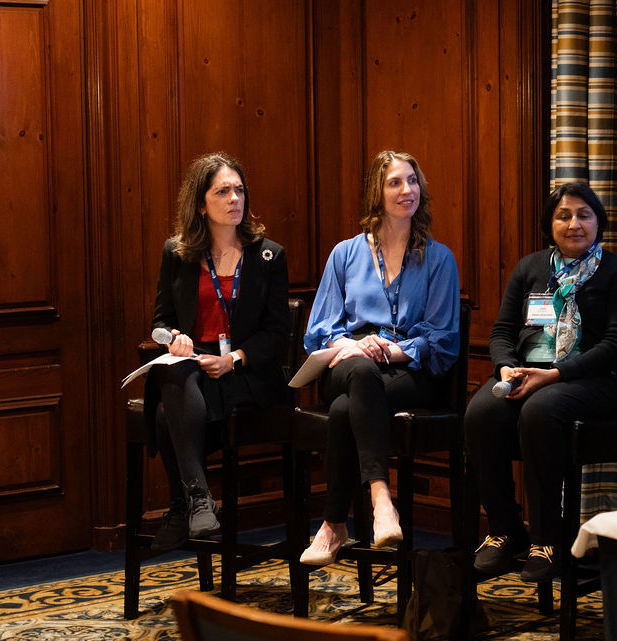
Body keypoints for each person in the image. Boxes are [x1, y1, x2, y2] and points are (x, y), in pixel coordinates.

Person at [464, 182, 617, 582]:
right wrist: (505, 367)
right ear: (550, 224)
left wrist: (556, 374)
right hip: (529, 373)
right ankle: (504, 529)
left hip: (599, 380)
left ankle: (547, 538)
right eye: (564, 216)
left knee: (541, 410)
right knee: (480, 412)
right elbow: (502, 331)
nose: (574, 224)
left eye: (584, 215)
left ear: (598, 221)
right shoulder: (530, 268)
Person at [299, 150, 461, 566]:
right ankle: (381, 499)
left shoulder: (439, 258)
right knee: (359, 371)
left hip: (410, 369)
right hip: (347, 362)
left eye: (413, 180)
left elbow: (442, 339)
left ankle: (333, 525)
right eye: (395, 182)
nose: (407, 190)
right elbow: (319, 329)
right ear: (377, 192)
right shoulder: (345, 253)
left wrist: (388, 350)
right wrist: (354, 345)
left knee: (344, 410)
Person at [145, 152, 291, 553]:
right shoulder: (177, 253)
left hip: (248, 371)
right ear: (200, 204)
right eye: (222, 192)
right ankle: (198, 497)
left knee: (165, 412)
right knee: (173, 370)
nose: (234, 199)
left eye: (239, 190)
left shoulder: (268, 255)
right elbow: (161, 321)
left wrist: (233, 359)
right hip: (196, 365)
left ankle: (184, 506)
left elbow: (278, 333)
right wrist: (173, 338)